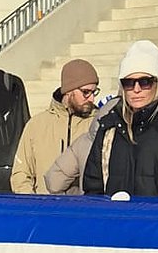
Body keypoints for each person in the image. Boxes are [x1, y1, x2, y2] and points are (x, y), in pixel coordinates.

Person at [43, 41, 158, 198]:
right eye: (128, 82)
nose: (136, 89)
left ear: (157, 83)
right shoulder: (108, 129)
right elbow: (93, 191)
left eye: (144, 82)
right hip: (115, 220)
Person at [9, 57, 100, 194]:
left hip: (84, 206)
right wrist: (34, 203)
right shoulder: (36, 125)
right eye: (86, 92)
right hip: (44, 205)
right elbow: (21, 175)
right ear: (68, 91)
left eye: (94, 92)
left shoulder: (98, 124)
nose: (92, 98)